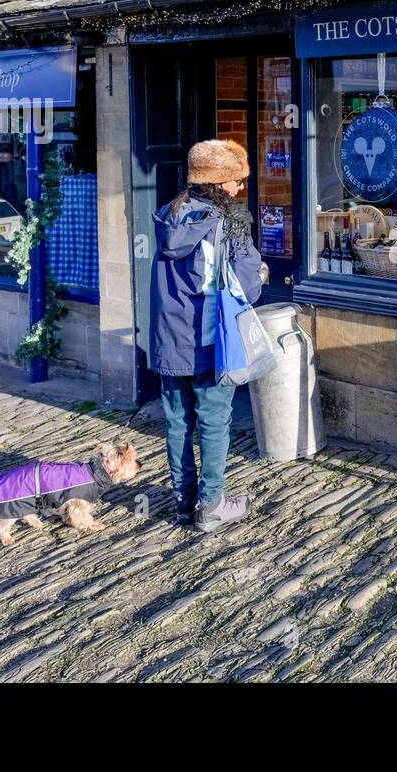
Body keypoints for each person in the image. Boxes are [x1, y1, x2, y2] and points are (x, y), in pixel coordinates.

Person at [150, 138, 263, 532]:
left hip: (169, 337)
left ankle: (184, 502)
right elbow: (248, 287)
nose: (240, 188)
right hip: (210, 338)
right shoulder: (229, 223)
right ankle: (212, 503)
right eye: (236, 180)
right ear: (217, 182)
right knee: (214, 420)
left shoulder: (169, 214)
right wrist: (259, 272)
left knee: (177, 421)